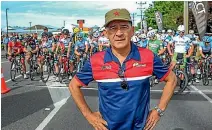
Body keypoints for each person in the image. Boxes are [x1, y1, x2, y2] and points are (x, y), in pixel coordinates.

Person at [69, 8, 177, 130]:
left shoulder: (148, 56)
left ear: (132, 31)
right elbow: (74, 85)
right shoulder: (96, 60)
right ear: (106, 33)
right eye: (113, 28)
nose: (119, 33)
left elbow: (171, 79)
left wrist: (159, 110)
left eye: (124, 27)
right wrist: (88, 115)